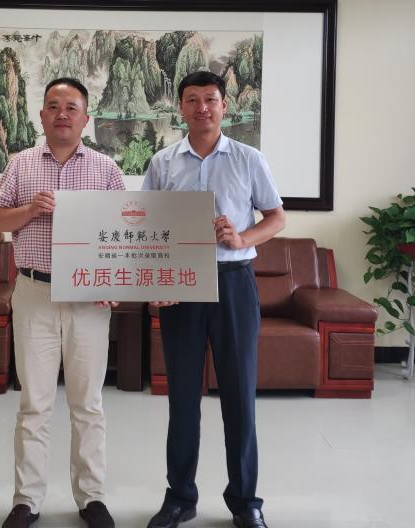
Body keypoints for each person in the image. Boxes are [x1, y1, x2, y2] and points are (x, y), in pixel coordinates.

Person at [142, 70, 286, 528]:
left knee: (240, 397)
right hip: (180, 286)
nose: (202, 107)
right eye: (192, 99)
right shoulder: (163, 162)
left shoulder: (248, 158)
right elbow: (146, 226)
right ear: (180, 108)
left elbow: (277, 217)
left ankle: (245, 502)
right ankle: (180, 498)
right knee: (182, 397)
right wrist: (154, 283)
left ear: (225, 105)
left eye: (210, 99)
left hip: (234, 282)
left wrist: (242, 238)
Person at [0, 77, 125, 528]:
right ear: (42, 115)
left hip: (88, 297)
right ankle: (26, 500)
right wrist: (30, 209)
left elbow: (124, 232)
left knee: (88, 403)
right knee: (35, 403)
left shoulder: (106, 169)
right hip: (34, 293)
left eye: (71, 107)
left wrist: (113, 280)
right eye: (53, 106)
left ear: (86, 118)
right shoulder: (21, 164)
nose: (61, 113)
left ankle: (92, 497)